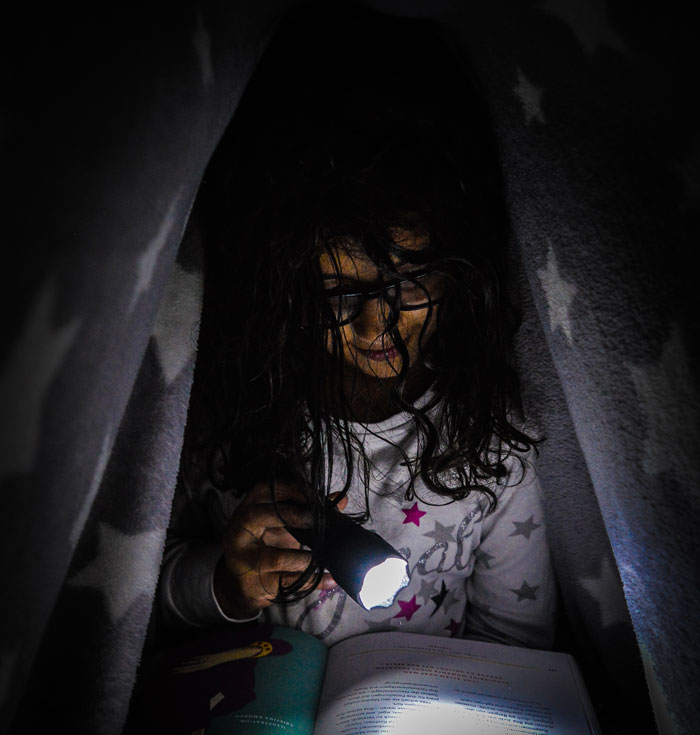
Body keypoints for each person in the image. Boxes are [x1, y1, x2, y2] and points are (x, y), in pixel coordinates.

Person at [159, 5, 557, 649]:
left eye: (410, 283)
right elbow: (137, 589)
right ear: (289, 288)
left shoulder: (493, 448)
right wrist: (228, 586)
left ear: (458, 272)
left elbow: (517, 640)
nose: (380, 324)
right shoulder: (227, 414)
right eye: (341, 293)